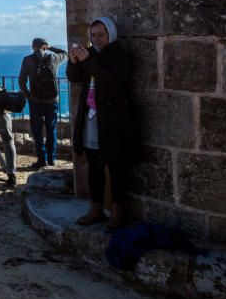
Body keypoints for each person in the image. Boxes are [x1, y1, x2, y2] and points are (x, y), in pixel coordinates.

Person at [67, 16, 138, 230]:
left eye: (101, 35)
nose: (96, 39)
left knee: (116, 167)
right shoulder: (93, 56)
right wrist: (73, 61)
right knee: (94, 167)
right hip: (92, 119)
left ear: (110, 34)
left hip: (113, 121)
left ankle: (118, 212)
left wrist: (88, 60)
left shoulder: (120, 57)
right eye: (93, 35)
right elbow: (74, 77)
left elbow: (111, 79)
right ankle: (95, 209)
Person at [19, 37, 68, 169]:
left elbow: (22, 81)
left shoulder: (28, 60)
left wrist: (28, 96)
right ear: (45, 46)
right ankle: (51, 159)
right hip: (52, 100)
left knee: (37, 131)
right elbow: (65, 53)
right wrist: (50, 48)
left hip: (35, 100)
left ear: (33, 46)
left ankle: (42, 159)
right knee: (51, 129)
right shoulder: (55, 58)